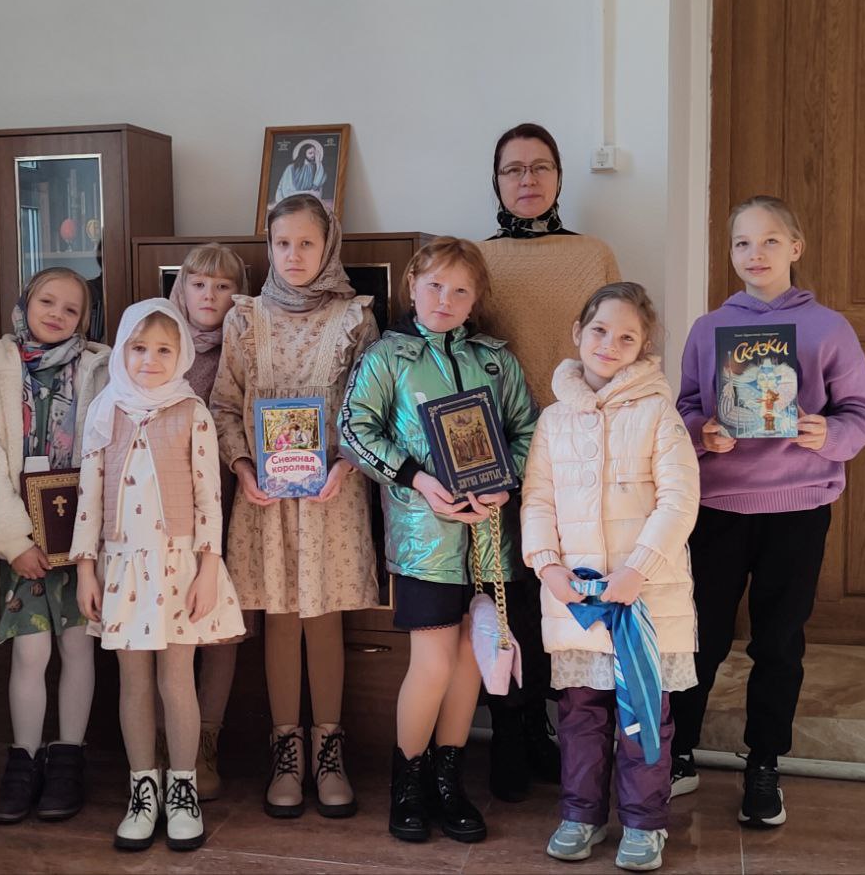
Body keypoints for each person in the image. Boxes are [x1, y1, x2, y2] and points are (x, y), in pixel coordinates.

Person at [669, 196, 865, 827]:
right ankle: (678, 750)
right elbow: (683, 408)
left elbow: (861, 414)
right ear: (730, 252)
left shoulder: (828, 328)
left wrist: (827, 434)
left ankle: (764, 763)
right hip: (718, 506)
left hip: (798, 508)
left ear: (795, 248)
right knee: (699, 637)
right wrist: (702, 433)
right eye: (742, 243)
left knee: (779, 642)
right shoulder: (709, 329)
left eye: (768, 241)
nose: (754, 254)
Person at [340, 237, 537, 843]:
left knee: (471, 661)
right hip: (424, 539)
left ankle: (449, 781)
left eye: (460, 290)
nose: (445, 299)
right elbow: (354, 428)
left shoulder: (495, 361)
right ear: (411, 286)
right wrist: (419, 480)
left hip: (491, 538)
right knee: (432, 663)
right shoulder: (387, 357)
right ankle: (409, 780)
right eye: (434, 286)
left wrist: (505, 484)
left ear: (476, 299)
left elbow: (529, 431)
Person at [211, 193, 379, 820]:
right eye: (282, 243)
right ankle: (286, 751)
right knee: (280, 616)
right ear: (269, 247)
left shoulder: (355, 318)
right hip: (265, 496)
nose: (294, 255)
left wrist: (346, 463)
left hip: (331, 494)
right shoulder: (245, 318)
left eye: (307, 242)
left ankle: (329, 752)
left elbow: (372, 408)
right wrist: (241, 466)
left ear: (328, 245)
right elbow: (225, 403)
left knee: (323, 616)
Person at [521, 281, 699, 871]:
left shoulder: (658, 414)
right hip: (576, 597)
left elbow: (679, 501)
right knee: (580, 712)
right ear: (578, 332)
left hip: (644, 599)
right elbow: (538, 499)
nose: (609, 344)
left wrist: (637, 569)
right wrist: (547, 564)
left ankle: (645, 823)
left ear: (643, 346)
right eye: (600, 330)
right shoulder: (553, 420)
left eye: (626, 337)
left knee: (643, 713)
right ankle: (581, 814)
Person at [476, 122, 622, 802]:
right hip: (494, 455)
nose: (527, 179)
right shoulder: (477, 258)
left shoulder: (593, 255)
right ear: (496, 181)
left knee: (562, 593)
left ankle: (554, 731)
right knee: (503, 594)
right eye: (513, 169)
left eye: (540, 167)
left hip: (576, 454)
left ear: (560, 177)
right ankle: (511, 729)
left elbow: (620, 343)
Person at [71, 299, 246, 851]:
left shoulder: (192, 412)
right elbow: (89, 495)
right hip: (122, 566)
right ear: (122, 351)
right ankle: (142, 791)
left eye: (164, 350)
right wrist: (85, 569)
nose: (150, 359)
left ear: (182, 355)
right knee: (134, 683)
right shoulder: (105, 410)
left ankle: (182, 789)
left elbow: (209, 498)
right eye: (139, 348)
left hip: (180, 566)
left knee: (177, 679)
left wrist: (208, 569)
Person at [0, 268, 110, 824]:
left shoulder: (104, 368)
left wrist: (90, 543)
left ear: (85, 320)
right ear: (25, 303)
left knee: (79, 648)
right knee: (30, 652)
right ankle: (24, 760)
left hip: (81, 539)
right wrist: (13, 540)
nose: (56, 314)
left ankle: (68, 759)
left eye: (71, 309)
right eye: (46, 302)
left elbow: (109, 454)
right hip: (24, 539)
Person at [165, 243, 249, 800]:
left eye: (223, 286)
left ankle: (205, 742)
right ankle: (167, 739)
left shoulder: (246, 347)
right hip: (167, 511)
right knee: (170, 620)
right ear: (182, 288)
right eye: (198, 284)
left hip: (233, 501)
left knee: (219, 624)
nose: (209, 296)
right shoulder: (159, 342)